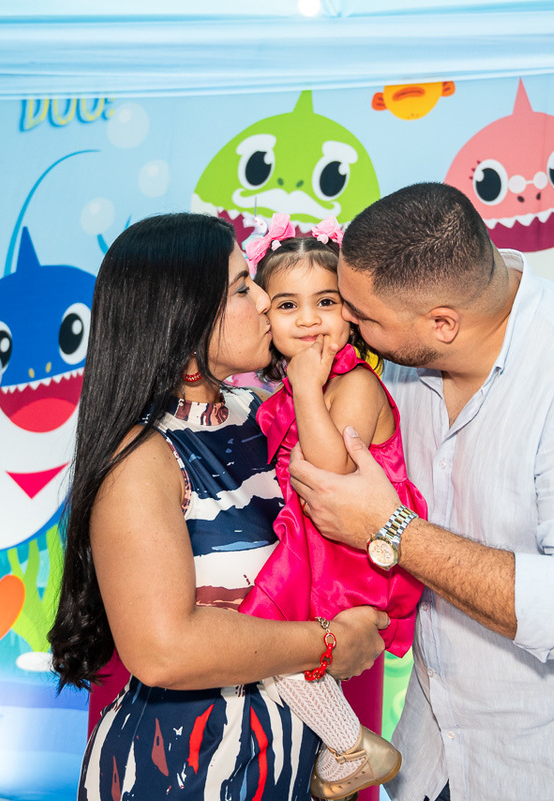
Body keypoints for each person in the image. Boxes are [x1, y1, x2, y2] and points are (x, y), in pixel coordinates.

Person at [286, 183, 554, 801]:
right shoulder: (398, 358)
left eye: (361, 314)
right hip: (437, 760)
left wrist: (391, 529)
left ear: (443, 324)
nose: (345, 321)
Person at [48, 213, 391, 801]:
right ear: (182, 316)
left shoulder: (258, 413)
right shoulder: (144, 453)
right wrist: (329, 643)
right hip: (183, 765)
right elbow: (163, 650)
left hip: (281, 761)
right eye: (241, 288)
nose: (264, 301)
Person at [237, 214, 428, 800]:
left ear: (353, 313)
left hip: (349, 560)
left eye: (326, 301)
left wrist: (300, 389)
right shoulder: (301, 389)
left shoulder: (357, 383)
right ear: (265, 318)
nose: (309, 319)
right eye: (288, 306)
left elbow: (329, 471)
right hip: (315, 550)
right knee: (268, 648)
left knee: (268, 644)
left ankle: (351, 747)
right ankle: (343, 746)